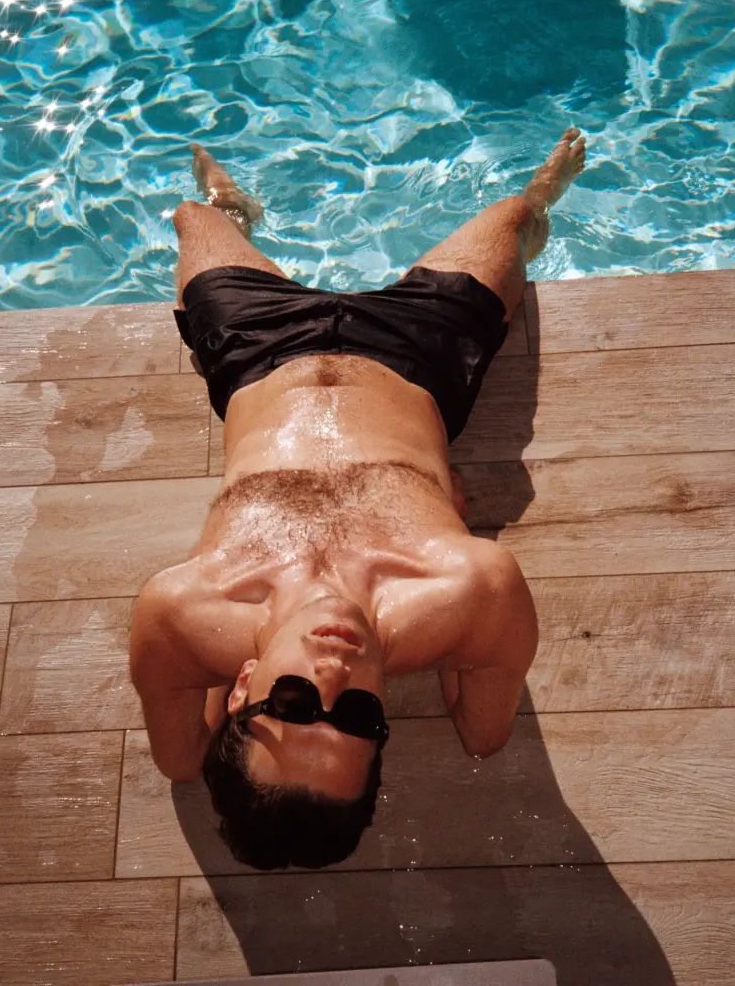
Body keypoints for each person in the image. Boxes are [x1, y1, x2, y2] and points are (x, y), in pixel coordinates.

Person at [129, 128, 587, 870]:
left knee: (193, 216)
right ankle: (543, 193)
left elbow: (180, 756)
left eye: (293, 705)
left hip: (256, 351)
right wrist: (449, 558)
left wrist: (217, 657)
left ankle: (235, 209)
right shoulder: (468, 589)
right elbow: (482, 732)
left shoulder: (183, 608)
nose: (332, 675)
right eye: (357, 715)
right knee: (514, 215)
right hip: (418, 352)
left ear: (242, 689)